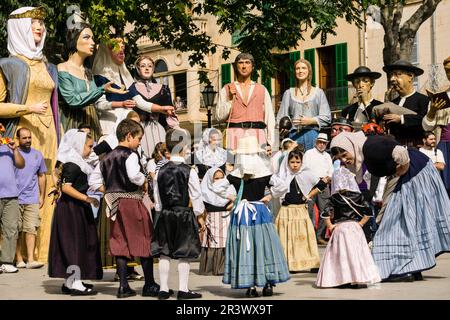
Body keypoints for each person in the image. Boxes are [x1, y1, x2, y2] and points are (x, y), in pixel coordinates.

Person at [330, 131, 450, 282]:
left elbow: (400, 151)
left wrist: (402, 169)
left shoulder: (370, 147)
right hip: (412, 174)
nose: (344, 159)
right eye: (339, 158)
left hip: (414, 174)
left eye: (344, 154)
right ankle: (411, 267)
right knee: (407, 223)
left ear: (350, 145)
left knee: (394, 224)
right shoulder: (366, 149)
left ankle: (397, 269)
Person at [0, 6, 61, 264]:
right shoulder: (9, 65)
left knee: (48, 190)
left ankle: (45, 252)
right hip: (23, 135)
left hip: (50, 137)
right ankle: (17, 255)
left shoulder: (49, 66)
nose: (39, 27)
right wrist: (27, 107)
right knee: (23, 193)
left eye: (41, 23)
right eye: (33, 23)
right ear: (19, 28)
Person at [91, 119, 158, 298]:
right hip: (132, 201)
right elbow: (134, 176)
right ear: (129, 136)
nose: (139, 142)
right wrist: (144, 179)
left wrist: (111, 189)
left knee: (120, 242)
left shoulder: (105, 158)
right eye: (138, 138)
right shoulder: (131, 154)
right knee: (144, 239)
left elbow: (94, 181)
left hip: (113, 203)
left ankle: (123, 286)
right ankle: (149, 284)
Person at [223, 135, 290, 297]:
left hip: (242, 214)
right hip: (259, 212)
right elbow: (282, 185)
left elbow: (215, 187)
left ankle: (251, 285)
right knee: (264, 246)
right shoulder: (264, 173)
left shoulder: (235, 175)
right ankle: (267, 283)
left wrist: (233, 198)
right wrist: (269, 196)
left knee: (247, 248)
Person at [152, 128, 206, 300]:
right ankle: (183, 289)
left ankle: (163, 288)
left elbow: (157, 196)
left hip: (166, 213)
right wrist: (199, 215)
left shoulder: (159, 170)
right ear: (182, 148)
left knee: (164, 252)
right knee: (185, 251)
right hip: (183, 214)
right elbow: (196, 195)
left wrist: (160, 211)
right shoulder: (189, 170)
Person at [48, 130, 102, 295]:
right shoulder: (72, 164)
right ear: (79, 145)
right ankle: (75, 282)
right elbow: (66, 188)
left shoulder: (79, 163)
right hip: (70, 209)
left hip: (76, 209)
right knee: (73, 245)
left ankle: (70, 281)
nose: (91, 150)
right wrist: (87, 199)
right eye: (89, 146)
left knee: (77, 244)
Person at [315, 164, 381, 288]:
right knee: (356, 253)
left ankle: (341, 278)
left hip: (341, 229)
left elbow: (325, 214)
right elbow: (368, 212)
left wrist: (330, 226)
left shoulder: (334, 197)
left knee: (341, 255)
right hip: (355, 228)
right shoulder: (358, 196)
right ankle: (358, 277)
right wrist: (360, 223)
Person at [271, 147, 327, 272]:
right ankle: (290, 264)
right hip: (286, 211)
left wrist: (309, 195)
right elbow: (274, 188)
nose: (295, 165)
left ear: (302, 162)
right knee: (288, 238)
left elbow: (322, 184)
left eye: (297, 162)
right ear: (287, 163)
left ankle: (311, 263)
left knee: (305, 238)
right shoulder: (283, 175)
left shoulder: (306, 173)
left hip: (301, 210)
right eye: (292, 162)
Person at [58, 22, 116, 141]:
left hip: (91, 121)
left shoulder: (87, 71)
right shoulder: (63, 68)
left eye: (93, 38)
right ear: (74, 40)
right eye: (86, 37)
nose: (93, 43)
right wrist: (101, 89)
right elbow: (72, 100)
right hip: (74, 123)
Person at [216, 53, 275, 152]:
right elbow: (219, 116)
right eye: (240, 63)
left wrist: (271, 143)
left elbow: (270, 118)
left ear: (252, 66)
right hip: (233, 136)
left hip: (258, 136)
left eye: (247, 62)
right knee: (234, 167)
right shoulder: (226, 89)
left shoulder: (262, 89)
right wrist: (230, 100)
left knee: (257, 167)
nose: (244, 66)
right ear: (235, 66)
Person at [277, 59, 331, 151]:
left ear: (309, 71)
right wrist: (283, 128)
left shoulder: (318, 93)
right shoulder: (288, 93)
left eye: (303, 68)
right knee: (294, 164)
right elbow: (281, 117)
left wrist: (311, 120)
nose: (300, 71)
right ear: (294, 72)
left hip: (312, 134)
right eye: (297, 68)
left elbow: (327, 117)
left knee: (311, 164)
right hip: (294, 136)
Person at [128, 55, 176, 157]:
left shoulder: (164, 89)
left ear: (153, 69)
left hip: (158, 130)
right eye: (143, 66)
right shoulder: (131, 88)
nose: (146, 68)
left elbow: (168, 115)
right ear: (137, 68)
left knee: (160, 157)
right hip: (138, 131)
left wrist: (175, 129)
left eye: (149, 66)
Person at [14, 128, 46, 269]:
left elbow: (42, 176)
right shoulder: (12, 154)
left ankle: (31, 260)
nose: (27, 140)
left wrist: (42, 196)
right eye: (24, 138)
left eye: (29, 137)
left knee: (31, 228)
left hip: (32, 198)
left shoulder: (37, 155)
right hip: (14, 198)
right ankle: (19, 259)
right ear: (18, 139)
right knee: (15, 230)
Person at [93, 38, 137, 136]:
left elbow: (139, 101)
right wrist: (121, 104)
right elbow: (99, 105)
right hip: (111, 125)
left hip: (129, 125)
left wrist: (161, 108)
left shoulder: (127, 77)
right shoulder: (100, 77)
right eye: (116, 47)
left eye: (123, 48)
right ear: (106, 51)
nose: (121, 51)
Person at [380, 60, 429, 146]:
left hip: (414, 148)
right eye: (391, 75)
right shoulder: (392, 103)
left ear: (410, 76)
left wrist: (401, 118)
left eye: (397, 74)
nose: (392, 79)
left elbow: (425, 122)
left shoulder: (423, 100)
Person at [199, 167, 236, 275]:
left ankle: (225, 268)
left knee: (225, 242)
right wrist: (201, 220)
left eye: (222, 178)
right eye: (216, 178)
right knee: (212, 243)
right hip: (212, 220)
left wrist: (232, 205)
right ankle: (211, 267)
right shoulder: (205, 191)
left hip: (226, 220)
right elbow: (200, 209)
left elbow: (237, 199)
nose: (219, 180)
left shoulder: (229, 190)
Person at [422, 56, 450, 195]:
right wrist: (432, 111)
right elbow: (427, 127)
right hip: (444, 145)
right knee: (444, 184)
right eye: (447, 71)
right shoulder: (441, 97)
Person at [0, 122, 24, 274]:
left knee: (11, 230)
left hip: (11, 195)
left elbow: (21, 164)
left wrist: (15, 150)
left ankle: (6, 261)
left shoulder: (8, 147)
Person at [302, 133, 333, 244]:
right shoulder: (309, 153)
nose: (321, 144)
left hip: (324, 183)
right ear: (316, 142)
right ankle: (310, 236)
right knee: (308, 210)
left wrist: (327, 178)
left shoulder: (327, 156)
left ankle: (319, 236)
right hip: (311, 184)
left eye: (324, 143)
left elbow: (331, 171)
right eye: (320, 142)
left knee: (325, 210)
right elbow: (304, 168)